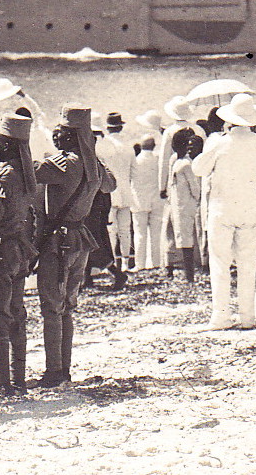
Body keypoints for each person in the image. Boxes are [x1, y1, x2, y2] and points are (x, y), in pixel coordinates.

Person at [33, 107, 104, 386]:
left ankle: (54, 371)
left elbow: (32, 172)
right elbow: (109, 184)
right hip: (79, 238)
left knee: (51, 307)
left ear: (71, 136)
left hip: (59, 241)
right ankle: (63, 368)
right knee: (66, 307)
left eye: (60, 132)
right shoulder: (92, 163)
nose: (55, 136)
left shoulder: (64, 163)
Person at [191, 94, 256, 329]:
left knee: (220, 262)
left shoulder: (220, 142)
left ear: (230, 120)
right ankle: (248, 316)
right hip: (249, 205)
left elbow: (198, 169)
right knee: (248, 263)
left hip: (222, 207)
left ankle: (221, 316)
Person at [0, 111, 40, 394]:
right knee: (17, 311)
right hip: (21, 247)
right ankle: (18, 378)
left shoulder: (5, 176)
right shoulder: (25, 173)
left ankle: (2, 382)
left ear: (6, 145)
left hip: (4, 248)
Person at [96, 115, 137, 280]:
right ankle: (126, 262)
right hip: (126, 191)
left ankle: (112, 265)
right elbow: (134, 171)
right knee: (125, 229)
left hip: (109, 192)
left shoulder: (102, 145)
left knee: (111, 230)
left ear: (108, 127)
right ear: (121, 127)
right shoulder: (128, 146)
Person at [164, 127, 206, 282]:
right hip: (177, 204)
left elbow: (195, 188)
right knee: (178, 236)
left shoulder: (186, 165)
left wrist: (195, 201)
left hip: (185, 205)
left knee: (186, 238)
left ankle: (190, 276)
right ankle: (181, 271)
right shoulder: (178, 162)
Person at [128, 126, 166, 274]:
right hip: (156, 199)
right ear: (154, 146)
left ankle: (140, 264)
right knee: (156, 233)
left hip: (139, 201)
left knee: (140, 233)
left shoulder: (136, 161)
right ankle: (156, 262)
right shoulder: (158, 160)